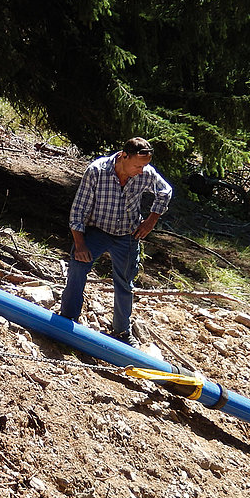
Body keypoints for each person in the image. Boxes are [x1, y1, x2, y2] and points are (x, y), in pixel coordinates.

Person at [59, 137, 173, 346]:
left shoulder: (145, 174)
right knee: (78, 267)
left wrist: (152, 219)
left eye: (145, 166)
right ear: (123, 156)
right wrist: (80, 243)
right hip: (97, 231)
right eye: (138, 165)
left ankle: (121, 331)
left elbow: (165, 191)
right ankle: (67, 320)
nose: (141, 170)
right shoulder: (97, 171)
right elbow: (79, 209)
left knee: (125, 283)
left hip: (127, 235)